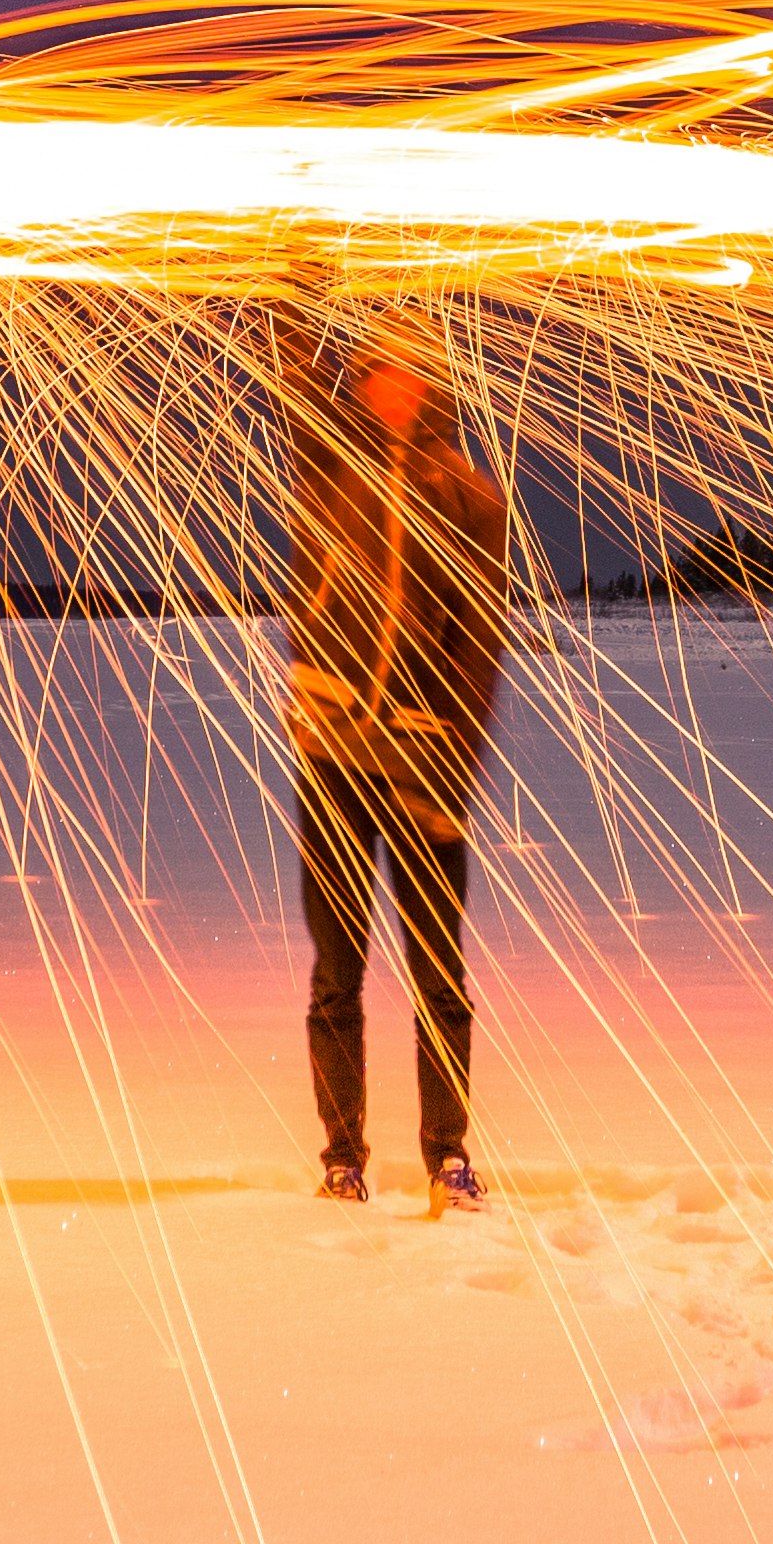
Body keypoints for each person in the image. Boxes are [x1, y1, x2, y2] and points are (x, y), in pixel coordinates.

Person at [276, 325, 511, 1210]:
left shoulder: (470, 498)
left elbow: (477, 648)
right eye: (381, 371)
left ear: (435, 386)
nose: (395, 387)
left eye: (413, 373)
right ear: (366, 380)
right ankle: (343, 1156)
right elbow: (296, 383)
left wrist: (451, 780)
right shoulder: (331, 464)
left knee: (438, 973)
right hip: (334, 752)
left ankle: (446, 1154)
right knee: (337, 971)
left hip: (422, 762)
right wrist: (285, 286)